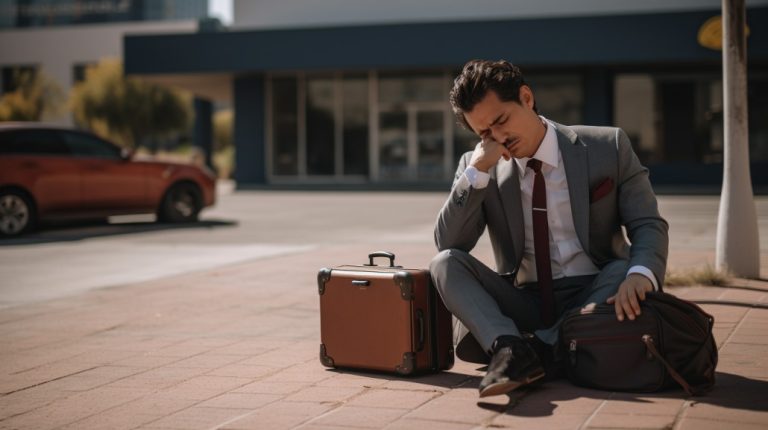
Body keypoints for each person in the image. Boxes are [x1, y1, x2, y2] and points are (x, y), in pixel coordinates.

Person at [430, 60, 669, 398]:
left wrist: (642, 274)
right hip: (525, 300)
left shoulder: (607, 147)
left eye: (501, 121)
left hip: (596, 293)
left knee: (623, 267)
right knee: (444, 263)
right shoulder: (478, 167)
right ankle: (512, 346)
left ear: (526, 98)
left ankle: (533, 353)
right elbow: (449, 243)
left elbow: (647, 223)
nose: (498, 137)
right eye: (484, 133)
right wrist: (477, 171)